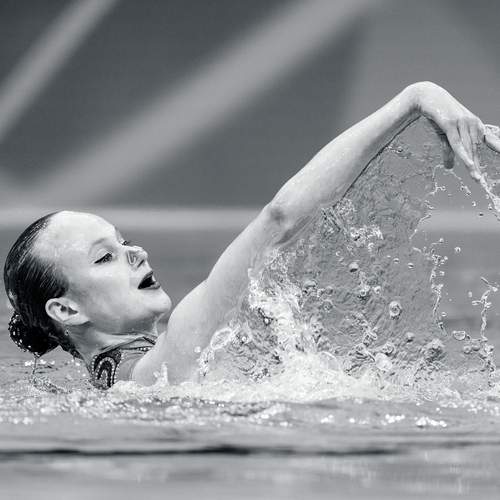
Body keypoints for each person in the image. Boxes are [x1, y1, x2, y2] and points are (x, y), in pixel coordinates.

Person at [4, 82, 500, 389]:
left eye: (123, 240)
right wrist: (413, 100)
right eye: (105, 257)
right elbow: (279, 221)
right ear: (66, 310)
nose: (134, 252)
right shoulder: (167, 360)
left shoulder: (116, 386)